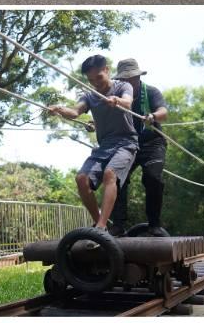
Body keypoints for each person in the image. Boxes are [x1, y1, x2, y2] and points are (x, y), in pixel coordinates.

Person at [49, 55, 138, 233]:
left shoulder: (122, 86)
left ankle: (102, 224)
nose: (96, 83)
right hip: (104, 145)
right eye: (91, 80)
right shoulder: (90, 96)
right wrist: (60, 110)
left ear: (107, 70)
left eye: (99, 77)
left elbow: (127, 102)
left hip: (126, 142)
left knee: (109, 174)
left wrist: (116, 100)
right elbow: (75, 112)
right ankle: (100, 225)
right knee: (81, 179)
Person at [110, 58, 169, 237]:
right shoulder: (117, 96)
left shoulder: (151, 91)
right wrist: (94, 124)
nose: (128, 82)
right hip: (128, 144)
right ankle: (118, 225)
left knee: (152, 178)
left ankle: (154, 224)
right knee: (116, 179)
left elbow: (164, 112)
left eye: (132, 78)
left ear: (138, 77)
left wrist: (153, 116)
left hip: (153, 143)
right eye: (124, 80)